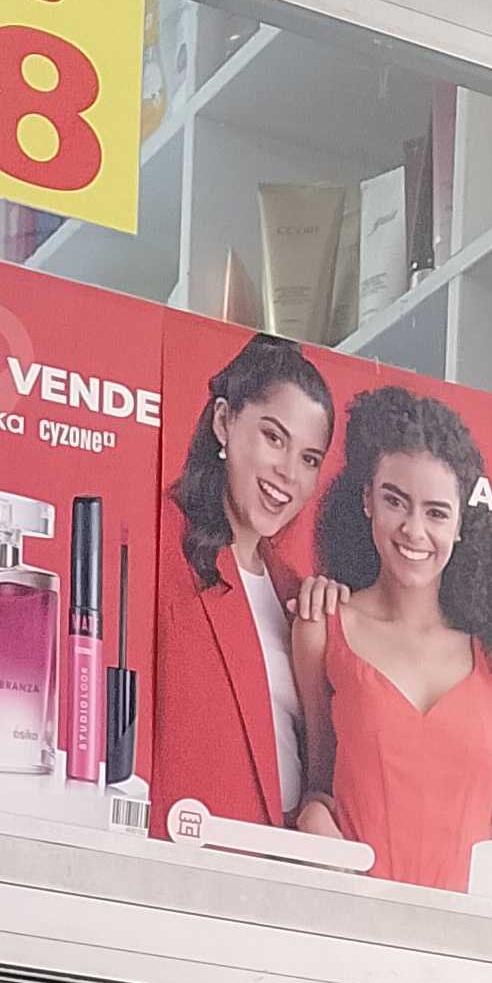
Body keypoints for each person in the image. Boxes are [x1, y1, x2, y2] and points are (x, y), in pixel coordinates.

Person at [293, 382, 492, 891]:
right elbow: (318, 783)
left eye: (436, 512)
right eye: (396, 501)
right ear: (367, 500)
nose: (414, 530)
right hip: (353, 921)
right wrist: (314, 820)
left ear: (459, 525)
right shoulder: (323, 626)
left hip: (470, 931)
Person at [157, 335, 334, 828]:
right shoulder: (163, 544)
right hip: (187, 849)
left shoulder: (295, 594)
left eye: (309, 458)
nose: (288, 473)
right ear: (224, 421)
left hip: (280, 857)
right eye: (274, 438)